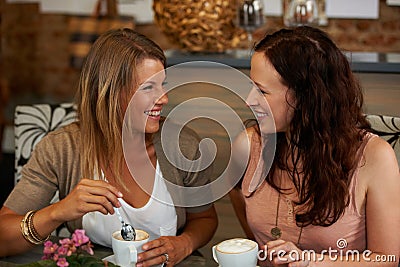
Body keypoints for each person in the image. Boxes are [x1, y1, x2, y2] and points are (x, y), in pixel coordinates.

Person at [0, 28, 218, 267]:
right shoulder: (61, 149)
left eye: (162, 85)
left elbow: (205, 218)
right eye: (148, 88)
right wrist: (58, 211)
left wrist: (184, 243)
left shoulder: (182, 144)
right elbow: (3, 237)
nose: (164, 98)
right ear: (109, 92)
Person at [229, 26, 400, 267]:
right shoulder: (247, 147)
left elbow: (387, 259)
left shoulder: (375, 156)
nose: (249, 101)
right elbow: (247, 221)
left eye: (261, 91)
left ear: (304, 97)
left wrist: (312, 262)